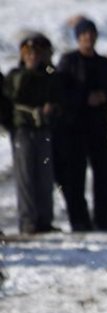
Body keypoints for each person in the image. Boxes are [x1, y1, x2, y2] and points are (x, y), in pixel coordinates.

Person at [54, 18, 107, 231]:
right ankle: (79, 220)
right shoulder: (68, 62)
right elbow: (61, 92)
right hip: (74, 129)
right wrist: (85, 98)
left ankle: (103, 218)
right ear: (78, 38)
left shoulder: (104, 64)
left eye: (91, 34)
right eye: (84, 35)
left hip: (99, 127)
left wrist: (104, 96)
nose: (88, 39)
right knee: (76, 177)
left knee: (104, 175)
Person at [4, 34, 62, 235]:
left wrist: (51, 109)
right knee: (26, 177)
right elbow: (12, 98)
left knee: (45, 177)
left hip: (43, 130)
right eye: (28, 53)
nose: (32, 57)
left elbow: (58, 97)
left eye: (36, 53)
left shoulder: (49, 75)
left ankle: (44, 220)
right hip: (22, 130)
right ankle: (28, 221)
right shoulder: (15, 76)